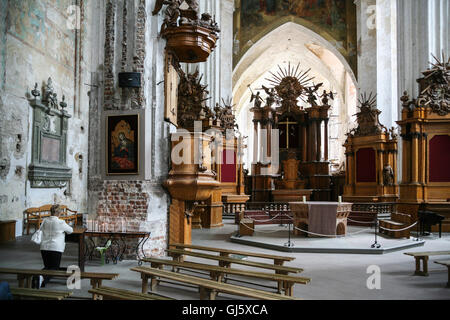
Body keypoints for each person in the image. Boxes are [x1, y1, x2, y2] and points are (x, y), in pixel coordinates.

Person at [35, 205, 73, 288]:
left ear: (51, 212)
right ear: (59, 213)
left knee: (47, 267)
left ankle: (40, 279)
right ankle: (41, 278)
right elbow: (70, 230)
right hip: (55, 248)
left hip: (44, 247)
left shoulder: (45, 220)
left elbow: (40, 230)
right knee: (55, 268)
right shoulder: (61, 222)